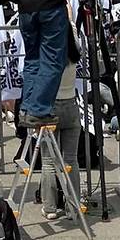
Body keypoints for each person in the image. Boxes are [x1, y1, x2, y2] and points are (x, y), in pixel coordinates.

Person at [40, 16, 81, 220]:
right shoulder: (74, 47)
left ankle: (49, 207)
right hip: (72, 104)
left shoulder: (48, 51)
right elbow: (71, 22)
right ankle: (73, 204)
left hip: (52, 106)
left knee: (48, 161)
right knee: (70, 159)